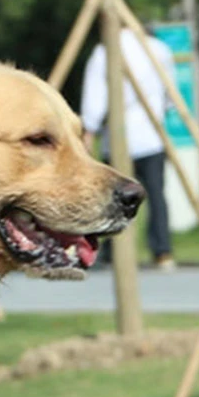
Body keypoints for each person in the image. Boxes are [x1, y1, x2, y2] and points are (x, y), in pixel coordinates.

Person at [81, 26, 177, 270]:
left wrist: (89, 128)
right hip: (151, 134)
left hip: (118, 137)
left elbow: (95, 94)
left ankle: (113, 251)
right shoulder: (159, 49)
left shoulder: (104, 52)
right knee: (156, 195)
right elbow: (170, 92)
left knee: (114, 195)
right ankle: (162, 250)